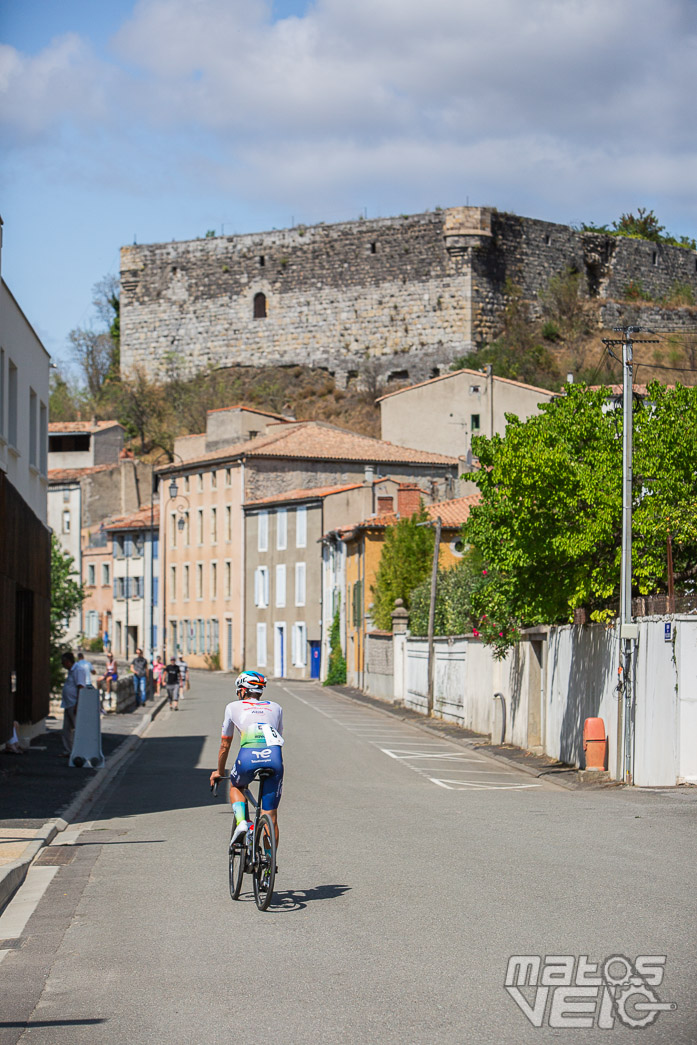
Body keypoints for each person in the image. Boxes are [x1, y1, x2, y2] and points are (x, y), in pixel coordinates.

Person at [210, 671, 284, 847]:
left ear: (242, 690)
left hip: (248, 758)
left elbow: (225, 745)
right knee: (270, 815)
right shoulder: (276, 707)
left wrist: (220, 771)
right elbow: (278, 738)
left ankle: (243, 822)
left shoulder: (233, 707)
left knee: (237, 786)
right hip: (274, 758)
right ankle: (269, 865)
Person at [60, 651, 81, 756]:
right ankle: (69, 750)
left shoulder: (77, 670)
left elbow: (80, 687)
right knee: (67, 729)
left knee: (76, 728)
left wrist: (78, 704)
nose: (63, 665)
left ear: (68, 662)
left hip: (73, 703)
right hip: (68, 703)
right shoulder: (71, 671)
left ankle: (77, 751)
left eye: (63, 663)